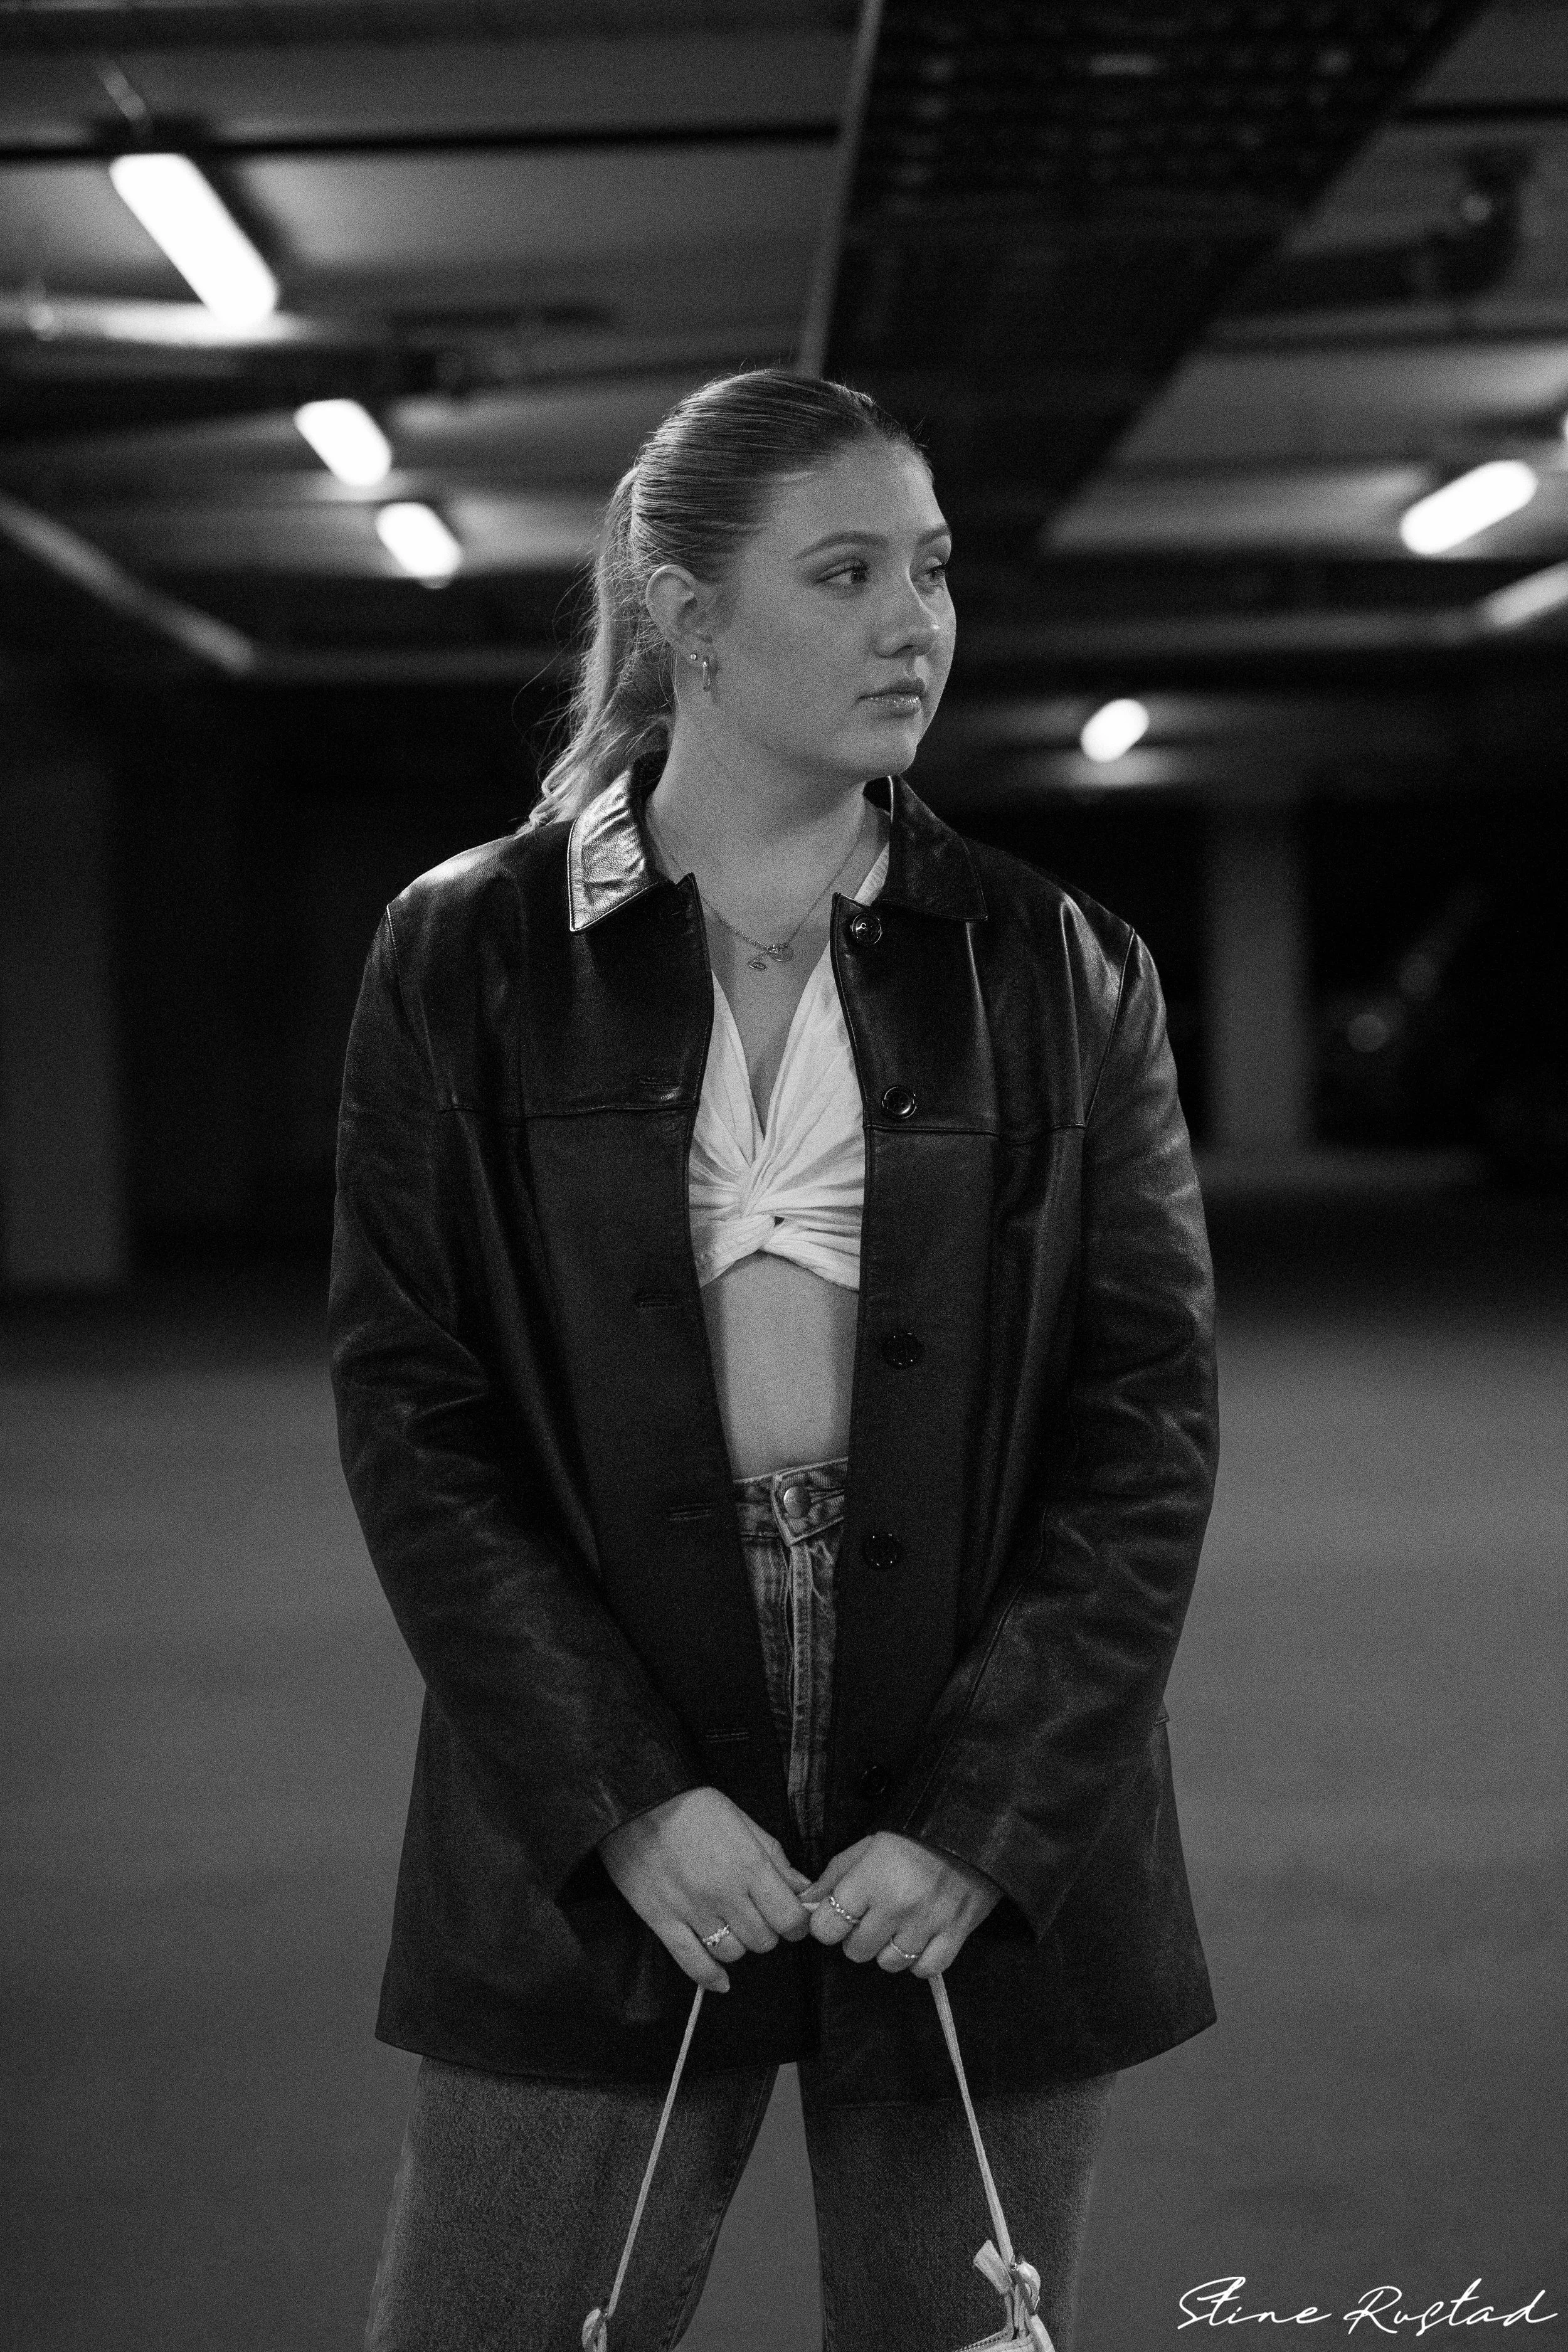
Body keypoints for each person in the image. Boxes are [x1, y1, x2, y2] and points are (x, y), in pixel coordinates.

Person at [329, 368, 1219, 2352]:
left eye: (931, 569)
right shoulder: (466, 956)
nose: (913, 622)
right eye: (843, 572)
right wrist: (623, 1796)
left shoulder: (1059, 964)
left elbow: (1144, 1425)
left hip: (974, 1732)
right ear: (682, 612)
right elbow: (416, 1408)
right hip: (603, 1722)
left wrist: (988, 1809)